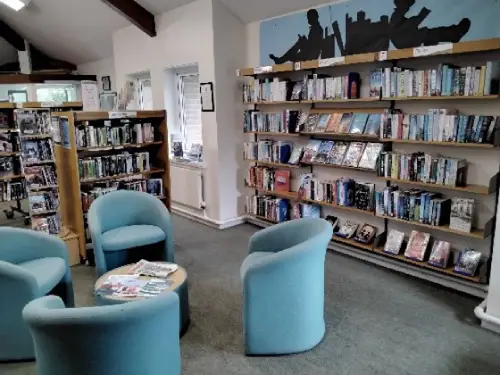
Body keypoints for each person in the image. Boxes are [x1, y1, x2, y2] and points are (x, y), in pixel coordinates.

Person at [390, 0, 471, 49]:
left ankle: (453, 33)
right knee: (435, 33)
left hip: (409, 37)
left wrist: (421, 15)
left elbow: (411, 23)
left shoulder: (397, 16)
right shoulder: (396, 17)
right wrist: (422, 14)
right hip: (407, 39)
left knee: (434, 34)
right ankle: (454, 33)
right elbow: (412, 23)